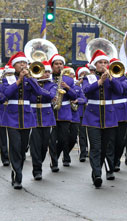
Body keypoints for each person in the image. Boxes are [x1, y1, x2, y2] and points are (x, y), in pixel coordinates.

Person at [2, 52, 49, 189]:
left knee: (22, 149)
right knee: (15, 147)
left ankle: (17, 170)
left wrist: (30, 78)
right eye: (19, 63)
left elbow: (39, 92)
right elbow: (5, 95)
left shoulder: (30, 79)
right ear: (14, 65)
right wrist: (18, 81)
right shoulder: (7, 79)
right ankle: (18, 177)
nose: (22, 65)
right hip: (11, 116)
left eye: (24, 63)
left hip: (27, 117)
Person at [82, 50, 123, 188]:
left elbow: (120, 91)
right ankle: (98, 174)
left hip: (109, 116)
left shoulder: (113, 78)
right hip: (93, 116)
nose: (104, 65)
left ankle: (97, 171)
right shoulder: (89, 77)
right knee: (95, 147)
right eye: (101, 62)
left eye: (106, 62)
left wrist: (110, 78)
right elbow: (86, 91)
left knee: (105, 147)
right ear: (95, 65)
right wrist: (101, 81)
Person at [48, 54, 77, 171]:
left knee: (63, 139)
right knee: (51, 139)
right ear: (52, 66)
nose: (59, 66)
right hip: (50, 113)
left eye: (61, 64)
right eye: (56, 64)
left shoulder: (68, 80)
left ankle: (56, 156)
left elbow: (75, 95)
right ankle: (54, 162)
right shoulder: (47, 78)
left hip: (64, 113)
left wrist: (68, 88)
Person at [29, 61, 57, 180]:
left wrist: (37, 86)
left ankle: (39, 162)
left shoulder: (52, 85)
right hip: (33, 116)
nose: (46, 74)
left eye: (48, 72)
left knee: (44, 146)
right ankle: (37, 169)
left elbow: (51, 95)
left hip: (47, 116)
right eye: (44, 72)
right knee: (35, 145)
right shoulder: (30, 83)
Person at [65, 67, 88, 165]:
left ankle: (83, 153)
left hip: (79, 114)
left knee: (80, 136)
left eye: (71, 74)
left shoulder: (78, 88)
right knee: (66, 137)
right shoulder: (61, 87)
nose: (70, 76)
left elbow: (84, 99)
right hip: (66, 115)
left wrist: (78, 101)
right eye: (68, 74)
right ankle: (66, 157)